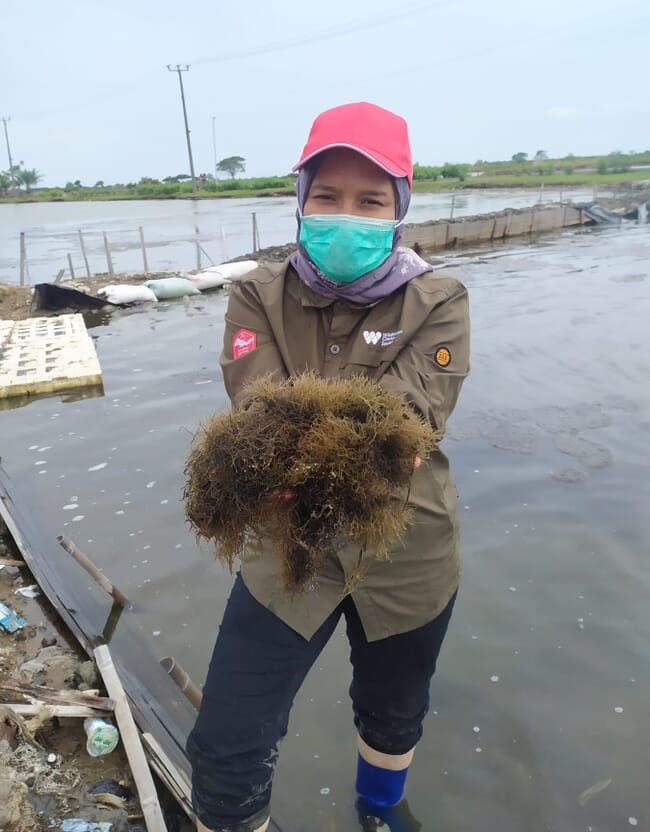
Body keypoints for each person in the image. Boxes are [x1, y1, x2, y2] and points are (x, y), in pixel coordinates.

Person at [187, 101, 470, 832]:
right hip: (290, 545)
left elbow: (406, 421)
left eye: (371, 200)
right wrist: (294, 454)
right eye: (327, 195)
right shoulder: (257, 294)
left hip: (407, 545)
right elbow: (259, 410)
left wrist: (308, 448)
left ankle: (378, 812)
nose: (347, 215)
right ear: (301, 200)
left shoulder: (439, 300)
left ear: (399, 208)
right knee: (225, 744)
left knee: (392, 714)